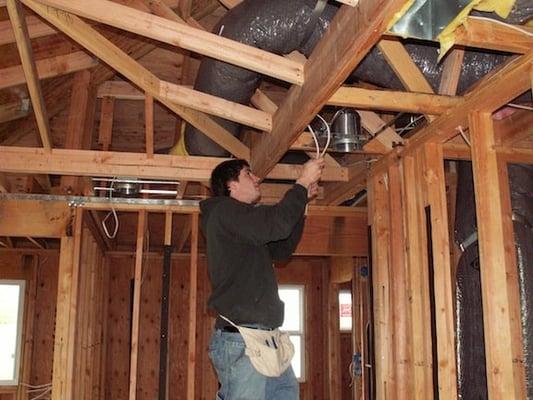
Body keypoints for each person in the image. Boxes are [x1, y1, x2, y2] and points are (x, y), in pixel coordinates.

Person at [200, 157, 325, 400]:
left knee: (286, 394)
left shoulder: (242, 227)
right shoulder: (224, 212)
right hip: (243, 341)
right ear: (231, 185)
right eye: (249, 174)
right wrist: (301, 183)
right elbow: (275, 224)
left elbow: (281, 248)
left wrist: (301, 205)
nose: (257, 179)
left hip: (265, 340)